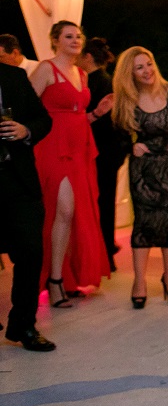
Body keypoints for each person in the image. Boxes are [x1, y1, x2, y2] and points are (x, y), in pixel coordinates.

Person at [28, 21, 111, 307]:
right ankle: (53, 281)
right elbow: (27, 107)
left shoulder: (81, 73)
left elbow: (79, 116)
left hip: (80, 148)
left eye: (78, 36)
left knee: (74, 213)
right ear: (55, 40)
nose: (75, 40)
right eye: (68, 36)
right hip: (52, 147)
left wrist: (97, 113)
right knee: (62, 210)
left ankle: (67, 276)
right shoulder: (45, 69)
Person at [111, 47, 168, 309]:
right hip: (144, 170)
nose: (147, 71)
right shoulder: (126, 99)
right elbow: (114, 136)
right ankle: (139, 282)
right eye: (139, 67)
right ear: (130, 73)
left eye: (149, 64)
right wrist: (130, 147)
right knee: (144, 224)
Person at [0, 60, 56, 351]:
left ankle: (24, 325)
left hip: (18, 180)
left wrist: (25, 130)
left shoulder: (15, 76)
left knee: (31, 251)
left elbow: (43, 119)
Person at [80, 37, 131, 271]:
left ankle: (104, 251)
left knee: (101, 204)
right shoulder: (103, 81)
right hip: (106, 153)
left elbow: (112, 122)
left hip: (101, 153)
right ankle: (104, 249)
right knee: (103, 203)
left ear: (87, 57)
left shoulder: (96, 82)